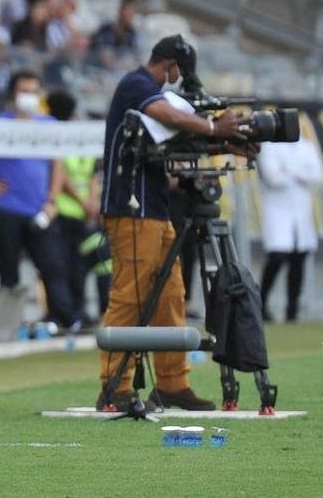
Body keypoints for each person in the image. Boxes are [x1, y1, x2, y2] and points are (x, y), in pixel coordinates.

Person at [98, 35, 247, 411]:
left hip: (154, 209)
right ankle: (114, 385)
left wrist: (226, 143)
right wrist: (214, 129)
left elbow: (174, 139)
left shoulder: (148, 93)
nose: (178, 81)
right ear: (169, 66)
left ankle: (172, 383)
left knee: (170, 295)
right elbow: (169, 116)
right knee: (130, 295)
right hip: (131, 207)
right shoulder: (138, 85)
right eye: (179, 73)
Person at [0, 71, 80, 331]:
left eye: (34, 91)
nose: (29, 96)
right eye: (24, 91)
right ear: (12, 95)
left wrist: (51, 200)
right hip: (7, 207)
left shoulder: (48, 125)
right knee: (8, 269)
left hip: (40, 208)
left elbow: (57, 164)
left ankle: (64, 319)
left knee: (52, 265)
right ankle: (10, 323)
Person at [46, 91, 110, 323]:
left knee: (86, 264)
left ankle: (87, 311)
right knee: (68, 267)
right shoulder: (63, 144)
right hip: (65, 214)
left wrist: (92, 203)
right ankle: (72, 313)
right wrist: (85, 203)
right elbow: (62, 177)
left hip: (84, 216)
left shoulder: (87, 148)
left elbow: (92, 175)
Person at [257, 137, 323, 323]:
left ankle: (292, 310)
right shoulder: (269, 146)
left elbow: (318, 175)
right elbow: (273, 178)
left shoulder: (306, 145)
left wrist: (288, 169)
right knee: (277, 256)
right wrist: (300, 173)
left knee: (299, 258)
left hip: (301, 210)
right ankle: (261, 303)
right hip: (277, 209)